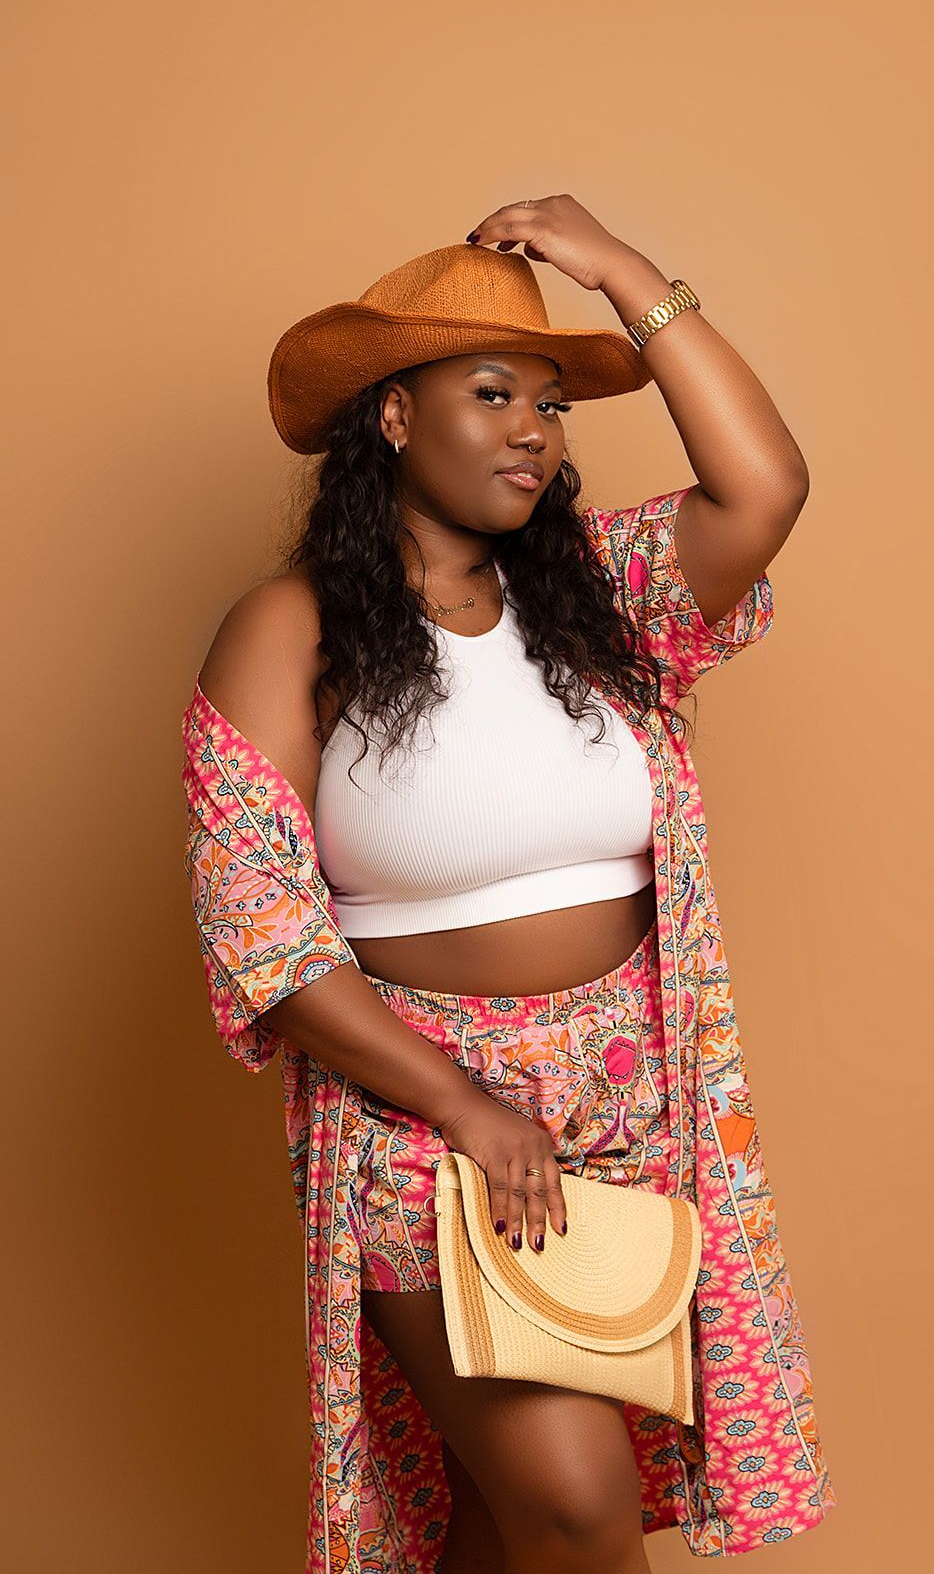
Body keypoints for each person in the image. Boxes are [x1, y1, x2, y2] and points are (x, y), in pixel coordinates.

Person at [181, 195, 837, 1574]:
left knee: (499, 1519)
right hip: (423, 1125)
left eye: (552, 403)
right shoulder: (291, 629)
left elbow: (763, 486)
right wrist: (467, 1107)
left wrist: (617, 272)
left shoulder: (604, 600)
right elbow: (267, 937)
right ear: (395, 418)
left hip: (631, 1107)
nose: (536, 431)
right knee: (574, 1508)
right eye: (493, 394)